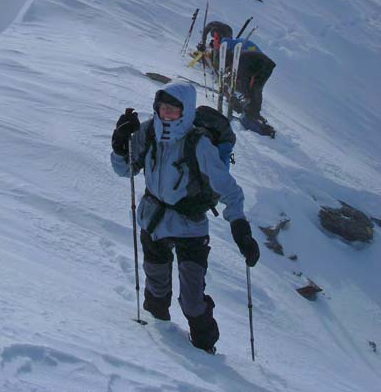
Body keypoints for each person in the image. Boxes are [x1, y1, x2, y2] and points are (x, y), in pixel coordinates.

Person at [110, 81, 260, 353]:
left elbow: (229, 189)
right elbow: (125, 171)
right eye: (162, 108)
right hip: (153, 222)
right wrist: (121, 147)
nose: (166, 114)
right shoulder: (148, 132)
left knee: (192, 300)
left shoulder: (199, 144)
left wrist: (241, 228)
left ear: (186, 112)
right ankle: (157, 344)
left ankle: (206, 351)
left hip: (190, 227)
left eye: (173, 110)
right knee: (156, 292)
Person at [205, 21, 276, 136]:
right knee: (255, 89)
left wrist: (214, 53)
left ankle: (247, 110)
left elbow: (220, 59)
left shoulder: (226, 42)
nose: (215, 42)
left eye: (215, 39)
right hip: (266, 64)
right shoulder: (241, 41)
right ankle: (253, 114)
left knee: (246, 83)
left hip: (248, 59)